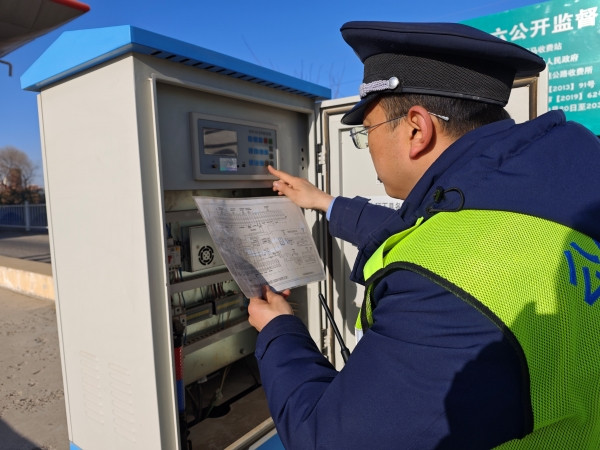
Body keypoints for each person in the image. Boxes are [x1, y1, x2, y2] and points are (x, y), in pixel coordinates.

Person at [248, 21, 600, 449]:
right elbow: (431, 230)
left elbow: (326, 439)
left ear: (417, 129)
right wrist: (324, 202)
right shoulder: (559, 180)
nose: (368, 145)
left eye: (367, 130)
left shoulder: (445, 289)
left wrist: (280, 329)